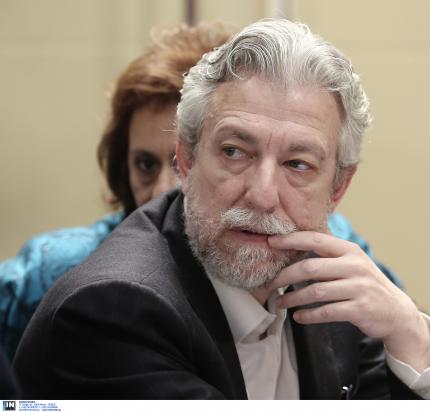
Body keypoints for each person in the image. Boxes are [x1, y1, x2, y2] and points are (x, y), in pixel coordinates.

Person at [13, 19, 430, 399]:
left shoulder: (327, 285)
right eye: (235, 151)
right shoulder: (113, 310)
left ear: (338, 188)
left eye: (298, 164)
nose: (262, 194)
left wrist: (412, 335)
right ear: (186, 159)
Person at [0, 22, 399, 362]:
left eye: (295, 163)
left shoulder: (327, 250)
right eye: (146, 164)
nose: (166, 186)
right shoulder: (64, 270)